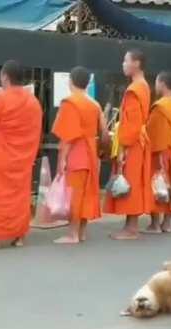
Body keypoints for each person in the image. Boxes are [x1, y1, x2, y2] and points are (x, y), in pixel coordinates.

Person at [0, 60, 42, 249]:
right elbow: (36, 132)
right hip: (22, 157)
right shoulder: (33, 102)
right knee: (19, 196)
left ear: (4, 76)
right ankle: (19, 236)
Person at [52, 66, 106, 244]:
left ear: (70, 81)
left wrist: (62, 160)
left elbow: (68, 137)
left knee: (74, 194)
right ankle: (81, 232)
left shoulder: (70, 102)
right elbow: (104, 132)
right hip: (91, 152)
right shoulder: (95, 104)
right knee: (85, 194)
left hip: (77, 152)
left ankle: (72, 234)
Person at [104, 49, 151, 240]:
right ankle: (129, 226)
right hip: (139, 140)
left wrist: (122, 146)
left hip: (133, 142)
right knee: (133, 181)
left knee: (130, 181)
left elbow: (131, 123)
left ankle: (131, 228)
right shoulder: (143, 86)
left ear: (136, 63)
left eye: (126, 60)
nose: (123, 64)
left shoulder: (134, 90)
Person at [144, 71, 171, 234]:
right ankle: (167, 223)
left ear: (161, 83)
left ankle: (154, 224)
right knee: (170, 185)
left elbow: (151, 131)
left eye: (156, 83)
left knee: (156, 184)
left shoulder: (160, 106)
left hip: (158, 151)